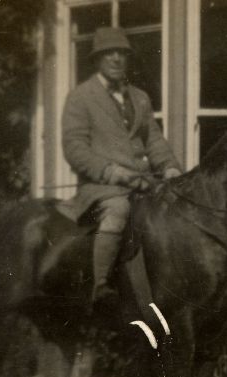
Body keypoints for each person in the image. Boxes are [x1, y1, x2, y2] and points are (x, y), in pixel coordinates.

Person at [62, 27, 182, 308]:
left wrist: (170, 167)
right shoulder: (80, 97)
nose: (116, 59)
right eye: (109, 53)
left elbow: (153, 139)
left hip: (142, 184)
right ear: (97, 60)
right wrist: (109, 171)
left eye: (122, 53)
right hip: (103, 188)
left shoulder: (139, 97)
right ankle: (100, 286)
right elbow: (75, 148)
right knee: (119, 210)